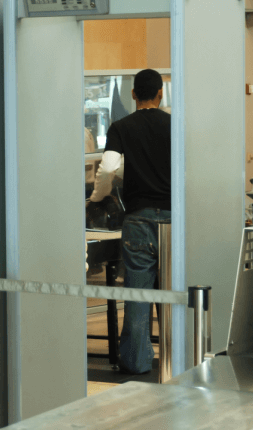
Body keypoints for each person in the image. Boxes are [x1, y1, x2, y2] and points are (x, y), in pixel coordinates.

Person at [89, 69, 171, 375]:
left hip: (138, 219)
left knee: (139, 293)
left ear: (133, 94)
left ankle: (136, 363)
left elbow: (108, 168)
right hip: (173, 221)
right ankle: (178, 359)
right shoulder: (174, 125)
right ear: (160, 93)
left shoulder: (121, 126)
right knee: (172, 292)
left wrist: (98, 197)